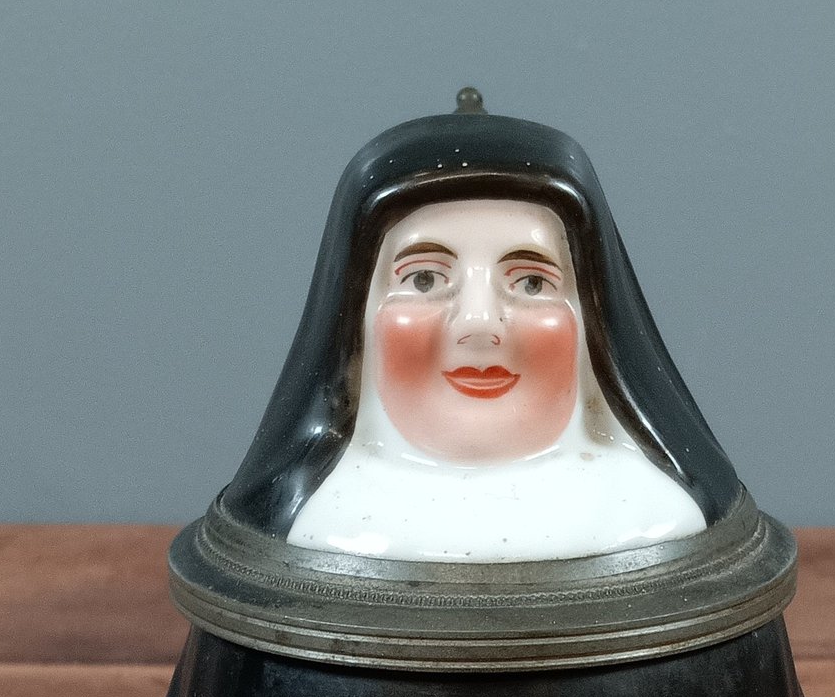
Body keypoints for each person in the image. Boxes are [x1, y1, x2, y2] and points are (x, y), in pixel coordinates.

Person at [286, 197, 706, 561]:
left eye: (532, 283)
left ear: (593, 323)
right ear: (356, 318)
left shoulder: (649, 514)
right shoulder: (318, 516)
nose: (479, 322)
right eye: (424, 279)